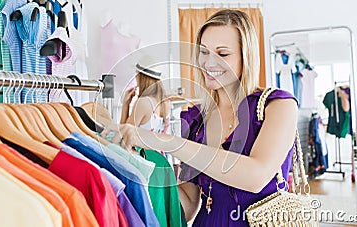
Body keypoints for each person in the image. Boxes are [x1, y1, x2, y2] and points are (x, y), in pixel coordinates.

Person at [103, 9, 298, 226]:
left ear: (246, 56)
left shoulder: (278, 106)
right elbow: (187, 205)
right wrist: (145, 170)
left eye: (222, 54)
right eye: (203, 52)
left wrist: (164, 142)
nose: (208, 63)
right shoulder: (196, 120)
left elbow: (255, 177)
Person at [120, 56, 171, 134]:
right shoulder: (166, 102)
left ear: (140, 76)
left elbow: (123, 134)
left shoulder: (143, 103)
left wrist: (125, 105)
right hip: (158, 146)